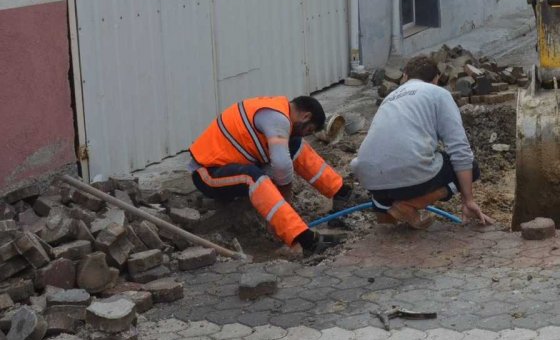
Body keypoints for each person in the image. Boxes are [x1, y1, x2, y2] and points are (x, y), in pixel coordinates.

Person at [188, 94, 350, 254]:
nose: (305, 133)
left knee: (295, 144)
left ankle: (340, 191)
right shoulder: (278, 119)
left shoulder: (278, 110)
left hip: (232, 162)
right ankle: (305, 240)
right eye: (308, 129)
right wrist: (286, 198)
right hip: (207, 173)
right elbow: (281, 164)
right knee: (253, 176)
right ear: (306, 116)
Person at [351, 55, 494, 229]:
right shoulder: (438, 93)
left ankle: (386, 221)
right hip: (406, 171)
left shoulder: (389, 98)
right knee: (470, 166)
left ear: (405, 76)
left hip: (368, 176)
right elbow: (459, 149)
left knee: (387, 171)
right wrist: (468, 200)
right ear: (435, 80)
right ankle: (409, 205)